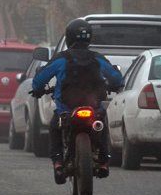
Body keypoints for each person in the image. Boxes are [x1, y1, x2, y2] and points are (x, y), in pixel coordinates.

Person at [31, 18, 123, 184]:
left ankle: (58, 163)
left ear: (68, 37)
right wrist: (115, 85)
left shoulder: (61, 59)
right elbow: (116, 78)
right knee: (101, 124)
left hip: (66, 109)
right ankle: (103, 162)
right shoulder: (97, 59)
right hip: (93, 107)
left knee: (54, 127)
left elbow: (39, 80)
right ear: (89, 37)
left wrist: (38, 90)